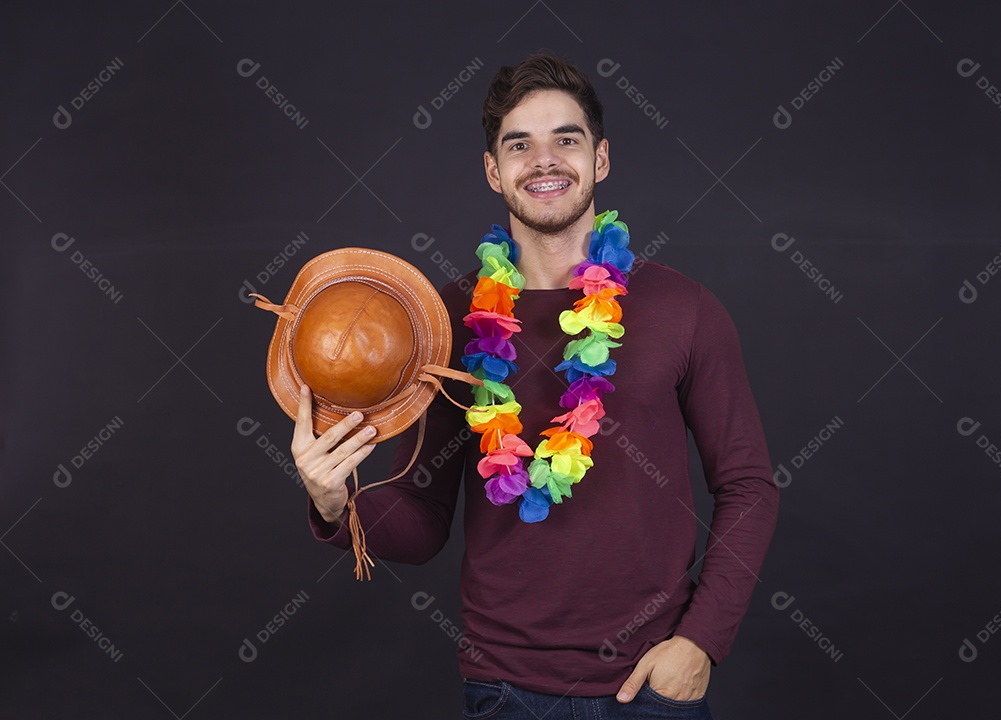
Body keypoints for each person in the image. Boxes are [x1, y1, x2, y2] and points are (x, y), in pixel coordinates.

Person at [291, 53, 778, 719]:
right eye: (520, 144)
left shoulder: (683, 308)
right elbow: (423, 521)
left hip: (652, 686)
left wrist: (700, 641)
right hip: (504, 690)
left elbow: (748, 485)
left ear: (601, 159)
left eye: (566, 140)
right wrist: (333, 501)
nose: (544, 162)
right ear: (494, 170)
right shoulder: (446, 320)